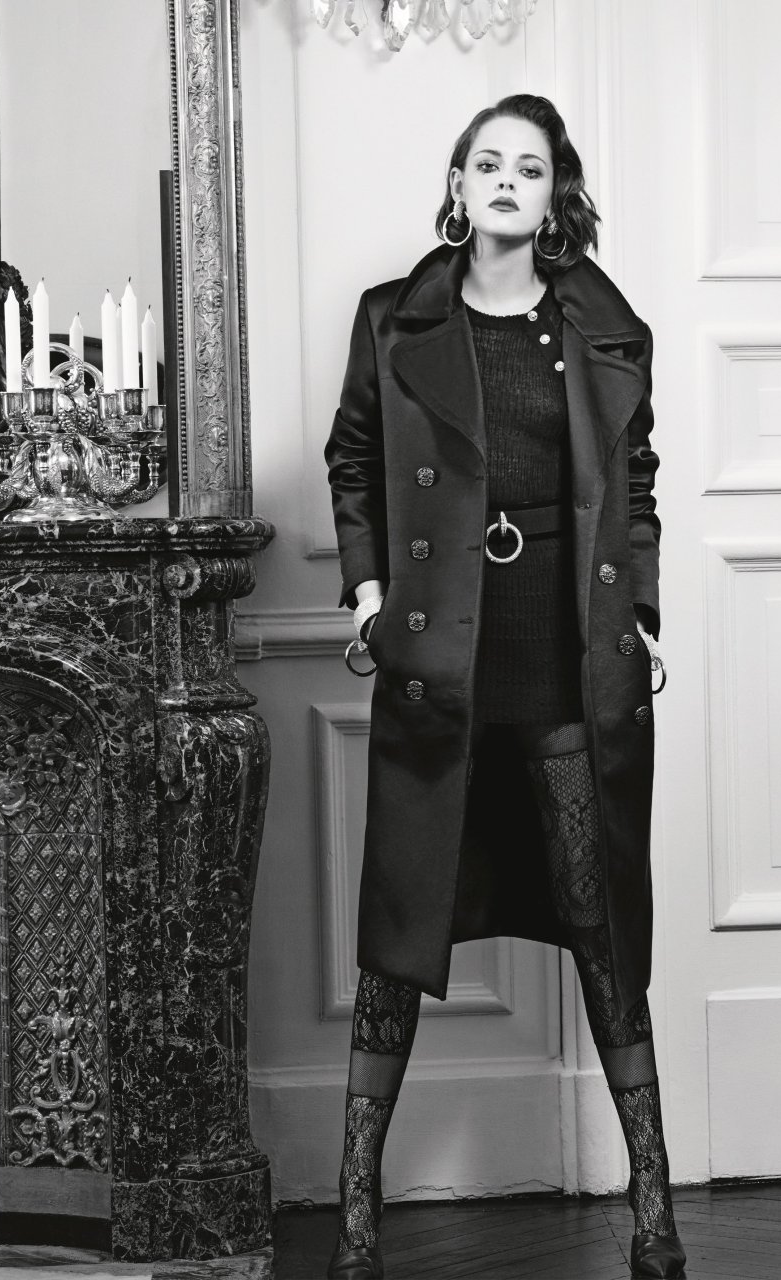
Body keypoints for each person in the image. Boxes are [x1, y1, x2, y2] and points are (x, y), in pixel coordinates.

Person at [320, 93, 682, 1280]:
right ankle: (357, 1222)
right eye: (488, 163)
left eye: (528, 166)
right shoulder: (396, 320)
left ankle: (654, 1216)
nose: (506, 181)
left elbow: (634, 479)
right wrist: (367, 596)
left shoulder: (602, 326)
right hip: (442, 658)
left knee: (601, 928)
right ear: (460, 185)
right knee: (399, 936)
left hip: (564, 653)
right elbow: (354, 458)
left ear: (553, 191)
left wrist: (640, 611)